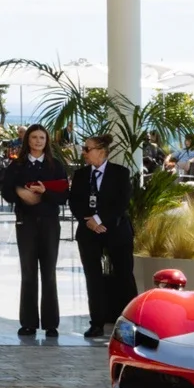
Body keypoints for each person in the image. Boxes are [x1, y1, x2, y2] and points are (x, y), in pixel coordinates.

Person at [0, 123, 69, 340]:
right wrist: (20, 192)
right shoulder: (17, 166)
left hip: (49, 223)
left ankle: (51, 323)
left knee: (49, 273)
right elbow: (6, 192)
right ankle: (28, 323)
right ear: (27, 140)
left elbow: (63, 196)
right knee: (28, 272)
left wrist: (44, 191)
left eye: (42, 138)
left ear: (46, 141)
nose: (38, 141)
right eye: (34, 137)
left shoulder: (55, 165)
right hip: (26, 223)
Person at [70, 133, 136, 340]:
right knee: (93, 278)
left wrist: (99, 219)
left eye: (87, 149)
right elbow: (74, 202)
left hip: (115, 230)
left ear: (101, 151)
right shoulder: (81, 175)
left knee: (124, 275)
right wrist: (88, 220)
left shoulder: (120, 173)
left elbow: (121, 203)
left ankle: (131, 325)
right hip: (89, 231)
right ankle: (96, 323)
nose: (84, 153)